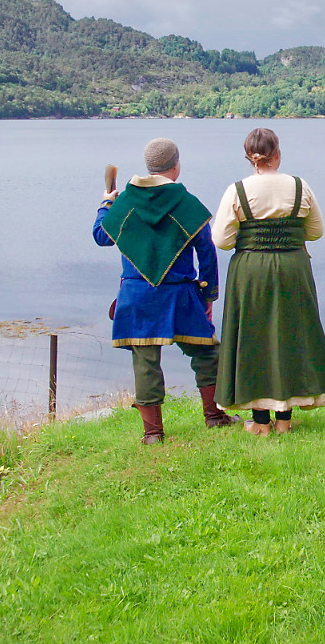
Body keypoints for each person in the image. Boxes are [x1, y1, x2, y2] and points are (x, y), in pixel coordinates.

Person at [95, 138, 240, 442]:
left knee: (145, 362)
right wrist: (208, 294)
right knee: (207, 353)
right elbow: (207, 252)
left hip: (137, 296)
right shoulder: (186, 203)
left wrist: (106, 202)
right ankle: (214, 416)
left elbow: (101, 236)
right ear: (176, 166)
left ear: (150, 166)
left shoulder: (125, 203)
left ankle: (153, 434)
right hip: (180, 294)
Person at [211, 127, 325, 435]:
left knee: (254, 338)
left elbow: (222, 240)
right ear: (278, 153)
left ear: (248, 158)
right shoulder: (299, 186)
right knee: (291, 334)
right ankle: (285, 419)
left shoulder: (237, 190)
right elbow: (316, 231)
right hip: (293, 267)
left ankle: (260, 422)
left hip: (251, 269)